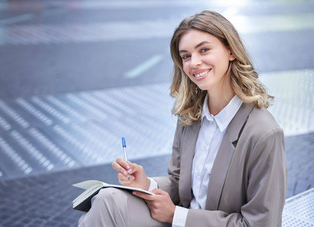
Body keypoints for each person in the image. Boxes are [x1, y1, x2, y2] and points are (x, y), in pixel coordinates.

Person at [78, 10, 287, 227]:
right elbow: (181, 185)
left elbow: (261, 223)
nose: (193, 63)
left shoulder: (263, 134)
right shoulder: (191, 117)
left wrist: (176, 216)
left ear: (231, 50)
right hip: (181, 220)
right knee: (105, 200)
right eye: (186, 56)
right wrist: (147, 184)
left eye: (204, 50)